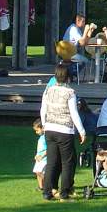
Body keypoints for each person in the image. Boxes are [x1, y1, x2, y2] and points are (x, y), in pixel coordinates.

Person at [39, 65, 86, 202]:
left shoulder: (48, 90)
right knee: (68, 163)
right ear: (68, 77)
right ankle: (65, 193)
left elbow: (43, 109)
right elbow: (74, 113)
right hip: (64, 130)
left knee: (52, 162)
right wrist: (81, 131)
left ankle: (48, 191)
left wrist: (44, 124)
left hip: (50, 129)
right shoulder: (69, 92)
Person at [31, 119, 47, 191]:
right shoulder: (41, 138)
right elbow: (40, 149)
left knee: (40, 172)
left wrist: (42, 156)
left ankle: (48, 184)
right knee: (37, 173)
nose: (36, 132)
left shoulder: (46, 137)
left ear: (43, 128)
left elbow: (49, 149)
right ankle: (41, 187)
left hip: (44, 159)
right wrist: (37, 155)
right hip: (39, 158)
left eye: (37, 130)